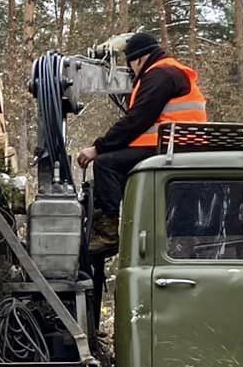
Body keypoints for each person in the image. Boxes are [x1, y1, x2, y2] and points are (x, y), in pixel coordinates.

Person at [74, 32, 208, 238]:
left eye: (130, 65)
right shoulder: (167, 72)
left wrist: (98, 147)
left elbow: (137, 120)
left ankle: (108, 232)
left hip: (173, 148)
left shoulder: (160, 75)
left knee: (106, 164)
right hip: (178, 145)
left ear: (139, 59)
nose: (131, 71)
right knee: (113, 164)